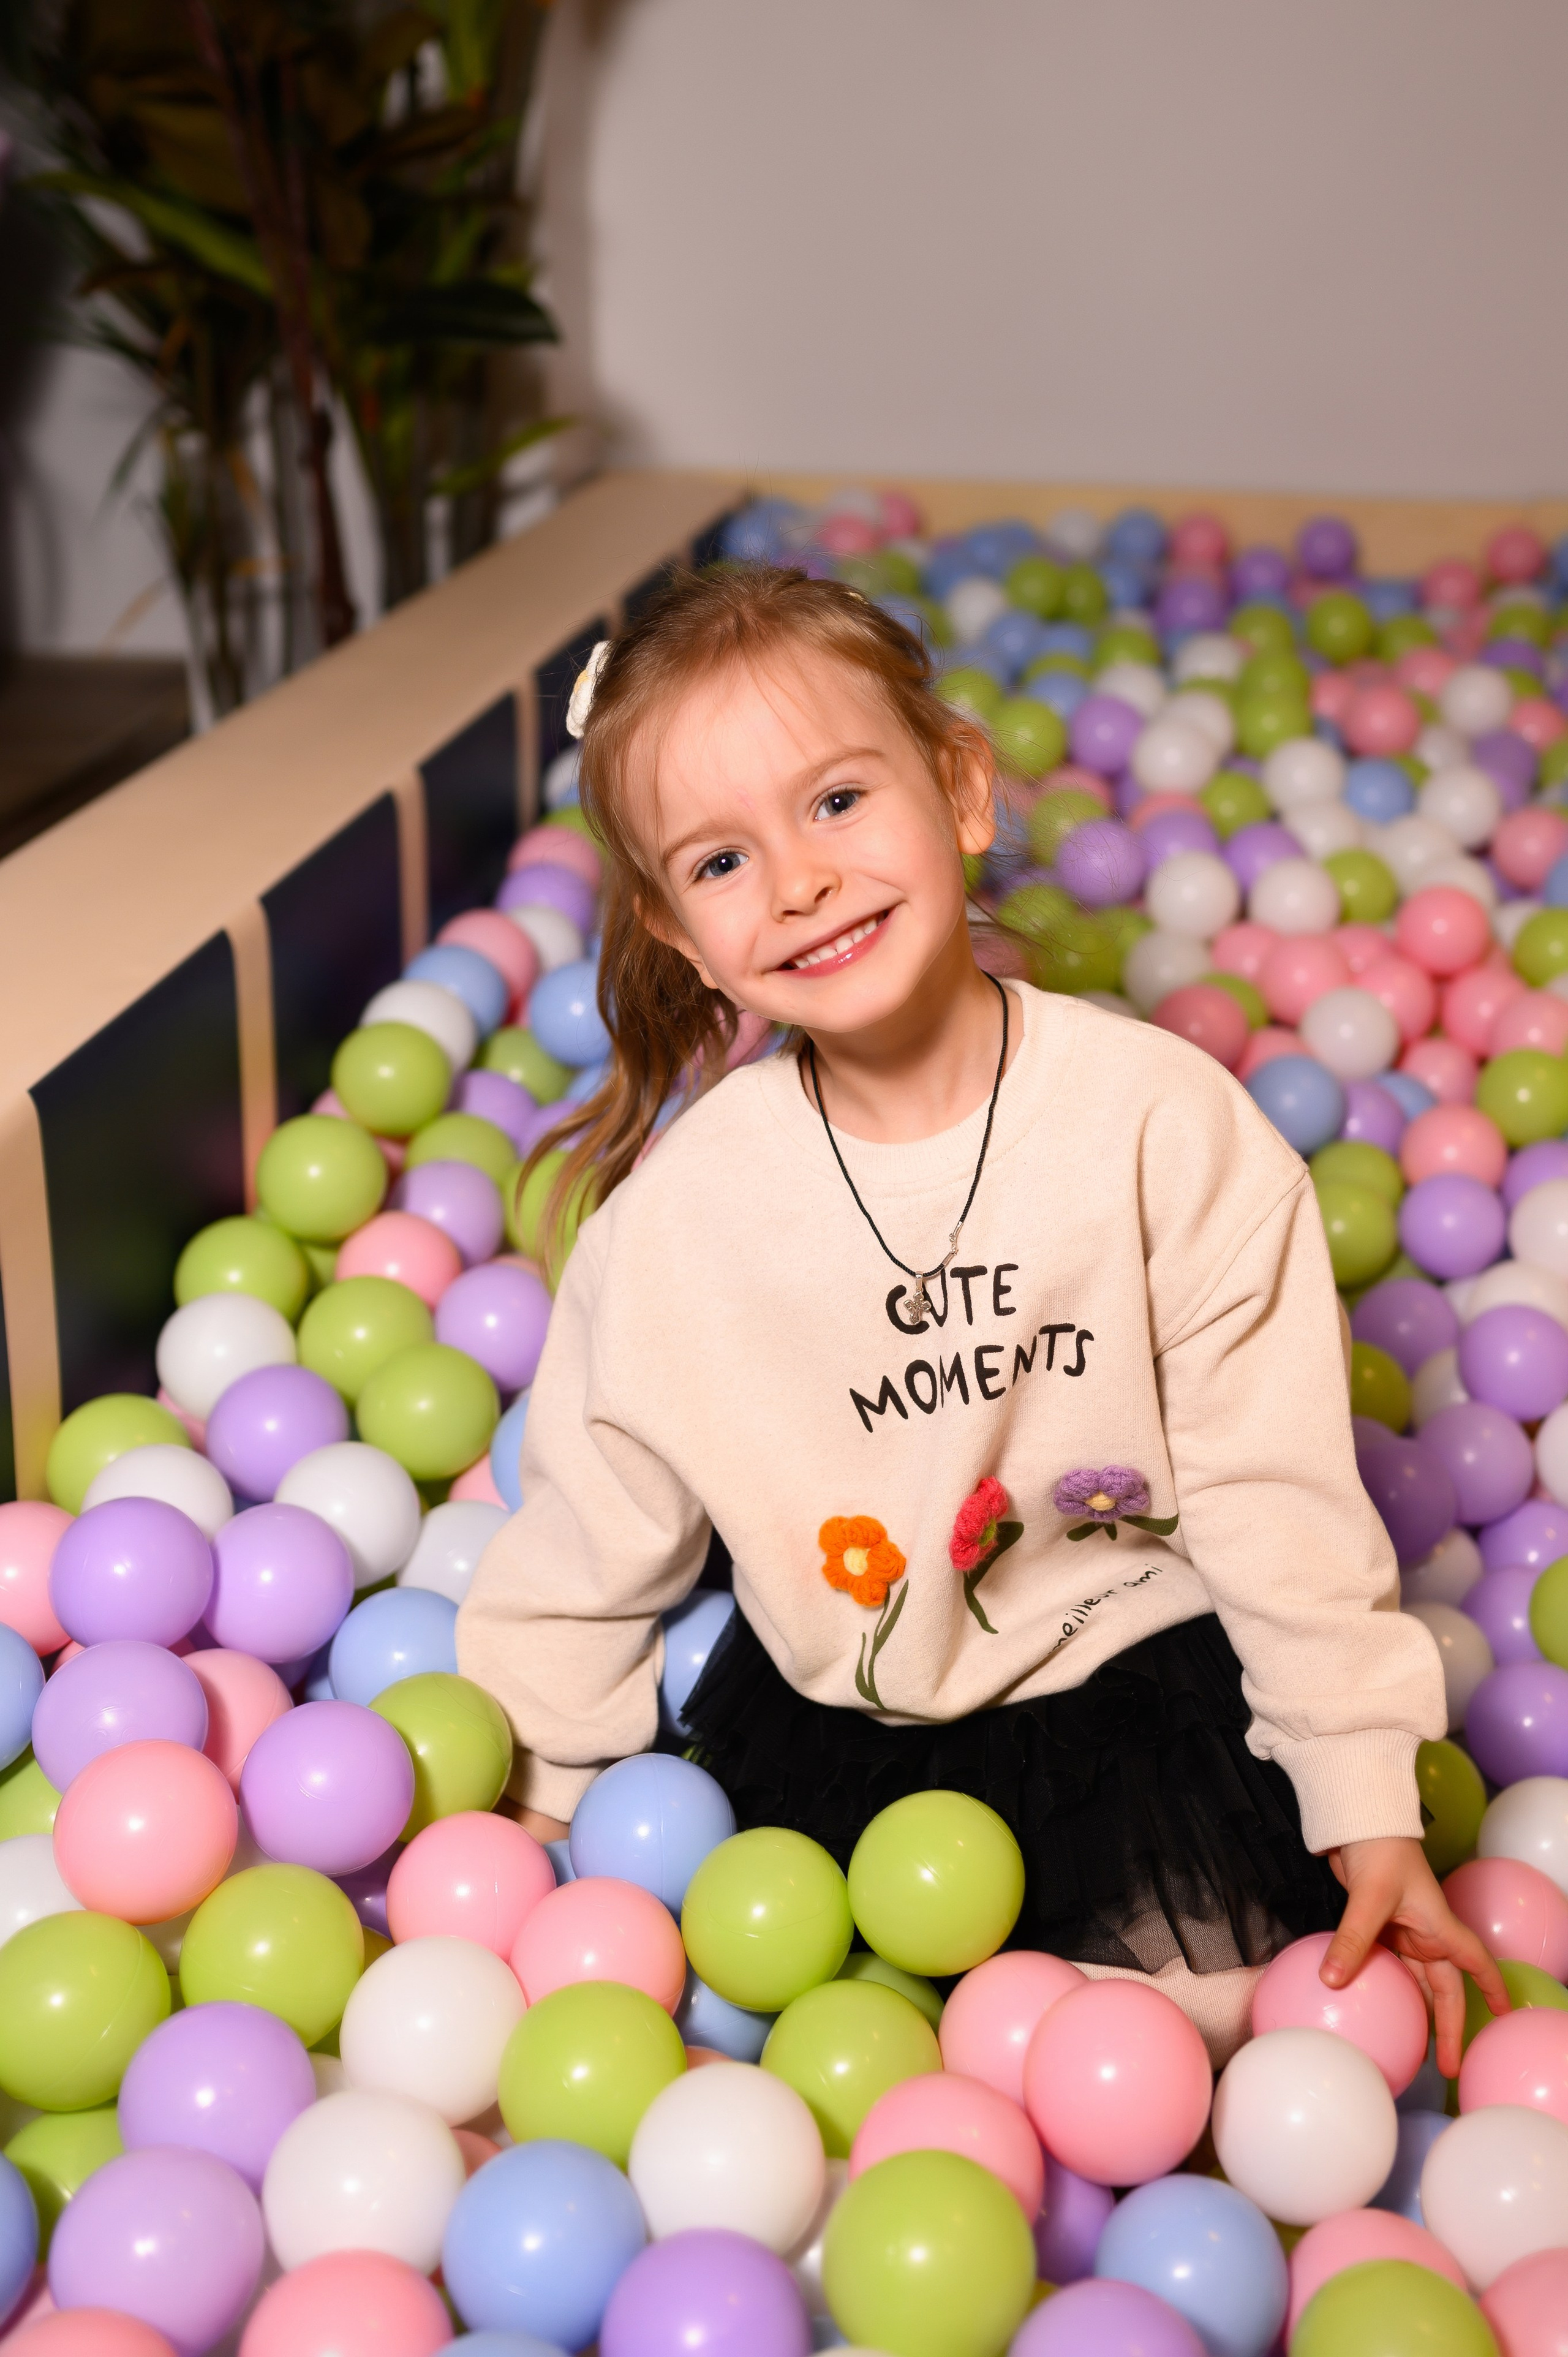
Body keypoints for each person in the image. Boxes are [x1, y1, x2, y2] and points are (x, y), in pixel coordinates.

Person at [458, 564, 1502, 2068]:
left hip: (1128, 1686)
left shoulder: (1158, 1128)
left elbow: (1272, 1489)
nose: (800, 882)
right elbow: (594, 1527)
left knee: (1199, 2036)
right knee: (812, 2039)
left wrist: (1360, 1799)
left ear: (957, 789)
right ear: (676, 935)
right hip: (846, 1725)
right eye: (719, 861)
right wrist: (535, 1820)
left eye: (834, 803)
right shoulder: (680, 1227)